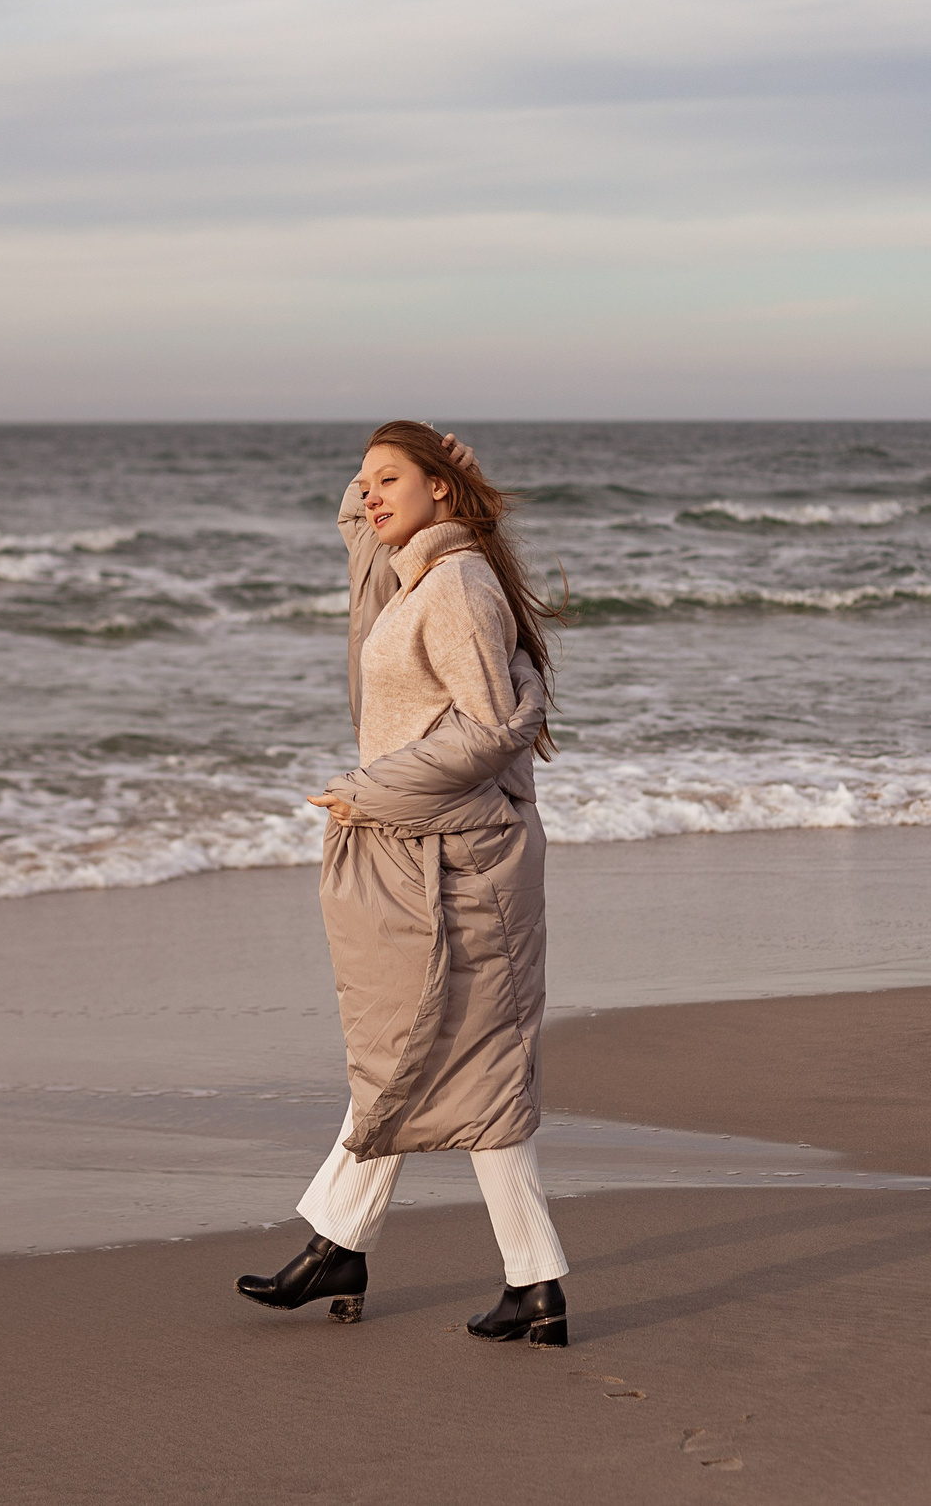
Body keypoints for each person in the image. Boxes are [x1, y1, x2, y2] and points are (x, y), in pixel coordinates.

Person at [236, 421, 571, 1346]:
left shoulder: (456, 586)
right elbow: (356, 527)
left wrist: (363, 790)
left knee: (445, 1057)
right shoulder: (406, 573)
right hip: (417, 847)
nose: (370, 495)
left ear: (441, 494)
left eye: (389, 479)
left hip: (458, 856)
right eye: (365, 480)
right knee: (425, 1052)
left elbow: (493, 728)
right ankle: (515, 1280)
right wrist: (417, 468)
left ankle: (356, 1245)